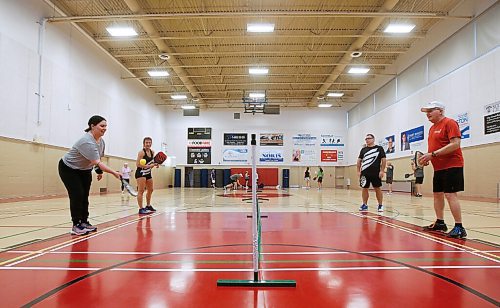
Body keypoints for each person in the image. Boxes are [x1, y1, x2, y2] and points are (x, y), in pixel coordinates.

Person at [58, 115, 121, 236]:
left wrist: (99, 171)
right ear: (92, 126)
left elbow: (98, 159)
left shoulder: (101, 142)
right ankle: (76, 225)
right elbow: (97, 162)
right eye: (102, 126)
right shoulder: (87, 141)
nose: (104, 128)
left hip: (84, 170)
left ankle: (84, 222)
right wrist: (114, 172)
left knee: (84, 195)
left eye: (105, 126)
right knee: (77, 194)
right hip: (69, 168)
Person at [419, 101, 466, 238]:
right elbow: (433, 148)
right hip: (438, 167)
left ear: (440, 110)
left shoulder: (450, 123)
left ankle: (459, 227)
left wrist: (432, 155)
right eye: (426, 112)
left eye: (430, 111)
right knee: (437, 194)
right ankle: (440, 222)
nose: (427, 114)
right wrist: (428, 158)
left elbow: (455, 144)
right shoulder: (432, 128)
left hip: (453, 165)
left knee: (450, 195)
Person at [357, 133, 386, 212]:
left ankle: (380, 205)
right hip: (365, 173)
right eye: (366, 139)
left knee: (377, 188)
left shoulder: (379, 148)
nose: (367, 140)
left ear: (373, 139)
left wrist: (382, 170)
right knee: (364, 188)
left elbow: (383, 160)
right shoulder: (363, 150)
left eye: (368, 138)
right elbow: (359, 160)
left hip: (376, 172)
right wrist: (358, 171)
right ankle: (364, 204)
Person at [135, 137, 158, 214]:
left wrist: (155, 164)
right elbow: (137, 164)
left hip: (148, 173)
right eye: (146, 142)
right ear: (144, 144)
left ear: (151, 143)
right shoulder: (141, 152)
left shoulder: (152, 152)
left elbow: (152, 162)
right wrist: (149, 166)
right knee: (141, 191)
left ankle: (148, 205)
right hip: (141, 173)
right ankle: (141, 208)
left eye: (149, 142)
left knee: (150, 189)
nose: (148, 144)